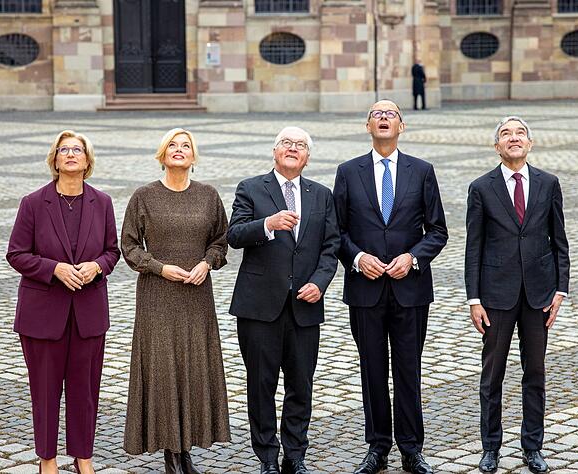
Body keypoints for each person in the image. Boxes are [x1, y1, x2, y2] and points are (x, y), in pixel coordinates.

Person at [333, 100, 448, 474]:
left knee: (408, 370)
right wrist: (356, 258)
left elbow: (438, 231)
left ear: (402, 126)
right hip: (364, 289)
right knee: (372, 370)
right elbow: (336, 232)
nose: (384, 118)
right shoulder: (348, 172)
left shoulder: (422, 171)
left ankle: (412, 450)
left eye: (391, 114)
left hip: (410, 290)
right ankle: (377, 447)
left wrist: (413, 258)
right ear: (367, 126)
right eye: (376, 114)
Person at [6, 130, 121, 474]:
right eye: (63, 150)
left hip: (88, 314)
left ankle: (83, 457)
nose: (70, 154)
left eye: (77, 149)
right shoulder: (33, 202)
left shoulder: (101, 202)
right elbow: (16, 253)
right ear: (55, 160)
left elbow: (112, 252)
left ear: (87, 161)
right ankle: (47, 460)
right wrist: (53, 268)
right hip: (43, 316)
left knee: (85, 392)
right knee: (44, 392)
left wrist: (97, 267)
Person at [227, 126, 340, 474]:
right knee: (261, 384)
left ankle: (295, 453)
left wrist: (320, 283)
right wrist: (267, 224)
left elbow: (331, 246)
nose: (294, 149)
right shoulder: (251, 188)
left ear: (308, 156)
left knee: (300, 383)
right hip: (259, 306)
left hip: (305, 306)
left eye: (301, 145)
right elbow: (233, 235)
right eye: (287, 144)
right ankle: (266, 457)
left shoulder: (321, 194)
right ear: (275, 152)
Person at [120, 128, 231, 474]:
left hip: (196, 297)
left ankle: (186, 452)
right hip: (158, 295)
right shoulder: (144, 196)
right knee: (163, 370)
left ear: (194, 157)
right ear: (162, 154)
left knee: (193, 369)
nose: (179, 150)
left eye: (185, 146)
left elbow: (220, 240)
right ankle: (171, 455)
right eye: (173, 145)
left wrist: (206, 263)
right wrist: (159, 267)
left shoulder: (208, 196)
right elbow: (128, 245)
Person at [464, 116, 570, 474]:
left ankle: (532, 446)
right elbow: (473, 247)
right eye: (506, 134)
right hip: (496, 297)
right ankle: (490, 447)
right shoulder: (481, 187)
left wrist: (560, 290)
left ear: (530, 143)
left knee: (535, 373)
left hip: (539, 295)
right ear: (497, 146)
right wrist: (474, 299)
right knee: (492, 375)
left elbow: (559, 241)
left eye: (520, 133)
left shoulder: (548, 183)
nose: (514, 138)